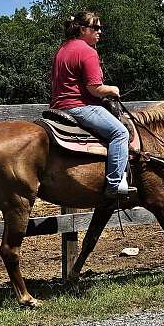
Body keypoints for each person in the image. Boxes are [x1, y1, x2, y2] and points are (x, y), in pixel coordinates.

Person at [50, 11, 136, 197]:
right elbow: (94, 89)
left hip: (58, 106)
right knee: (120, 132)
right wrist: (112, 89)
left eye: (100, 28)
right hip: (79, 106)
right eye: (95, 27)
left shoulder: (62, 49)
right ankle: (114, 185)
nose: (99, 32)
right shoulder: (88, 51)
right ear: (82, 29)